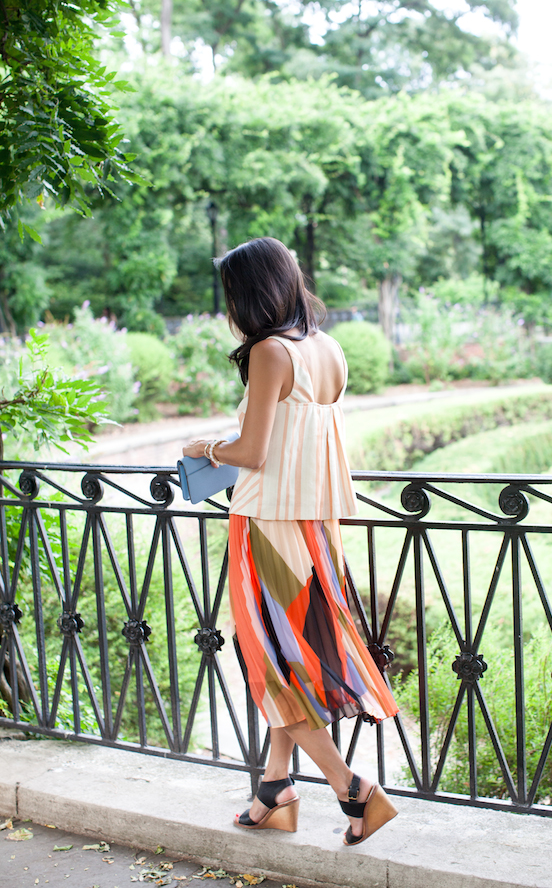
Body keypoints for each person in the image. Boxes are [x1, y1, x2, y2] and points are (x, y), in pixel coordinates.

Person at [183, 237, 399, 846]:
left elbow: (251, 453)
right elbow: (298, 441)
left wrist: (204, 449)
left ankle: (352, 789)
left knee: (271, 663)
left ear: (248, 293)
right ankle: (274, 789)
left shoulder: (270, 353)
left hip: (267, 528)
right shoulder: (328, 349)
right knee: (291, 660)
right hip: (314, 529)